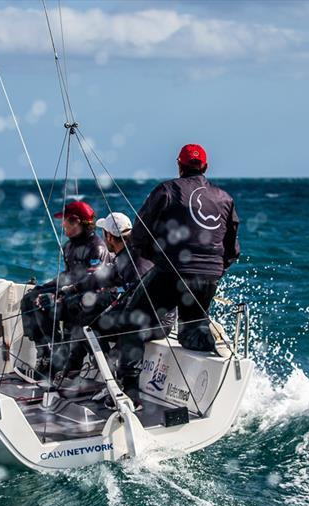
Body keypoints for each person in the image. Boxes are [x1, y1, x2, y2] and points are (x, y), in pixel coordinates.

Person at [107, 144, 240, 400]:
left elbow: (139, 235)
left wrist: (156, 259)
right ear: (206, 167)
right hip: (208, 276)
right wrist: (214, 271)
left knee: (132, 320)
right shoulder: (225, 198)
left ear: (179, 166)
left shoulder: (167, 190)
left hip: (172, 272)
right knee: (193, 327)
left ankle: (130, 390)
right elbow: (232, 249)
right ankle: (215, 383)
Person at [54, 212, 156, 375]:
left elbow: (142, 301)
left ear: (109, 236)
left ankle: (108, 369)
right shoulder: (127, 254)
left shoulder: (134, 261)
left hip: (153, 321)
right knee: (82, 306)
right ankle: (77, 368)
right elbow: (100, 278)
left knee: (87, 321)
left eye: (103, 233)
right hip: (143, 314)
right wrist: (73, 289)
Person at [20, 201, 110, 377]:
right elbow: (68, 275)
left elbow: (92, 280)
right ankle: (44, 353)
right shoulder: (68, 246)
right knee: (30, 299)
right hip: (69, 293)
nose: (62, 225)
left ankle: (57, 357)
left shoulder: (96, 247)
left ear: (76, 221)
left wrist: (60, 294)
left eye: (65, 221)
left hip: (87, 299)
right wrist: (46, 288)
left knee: (45, 303)